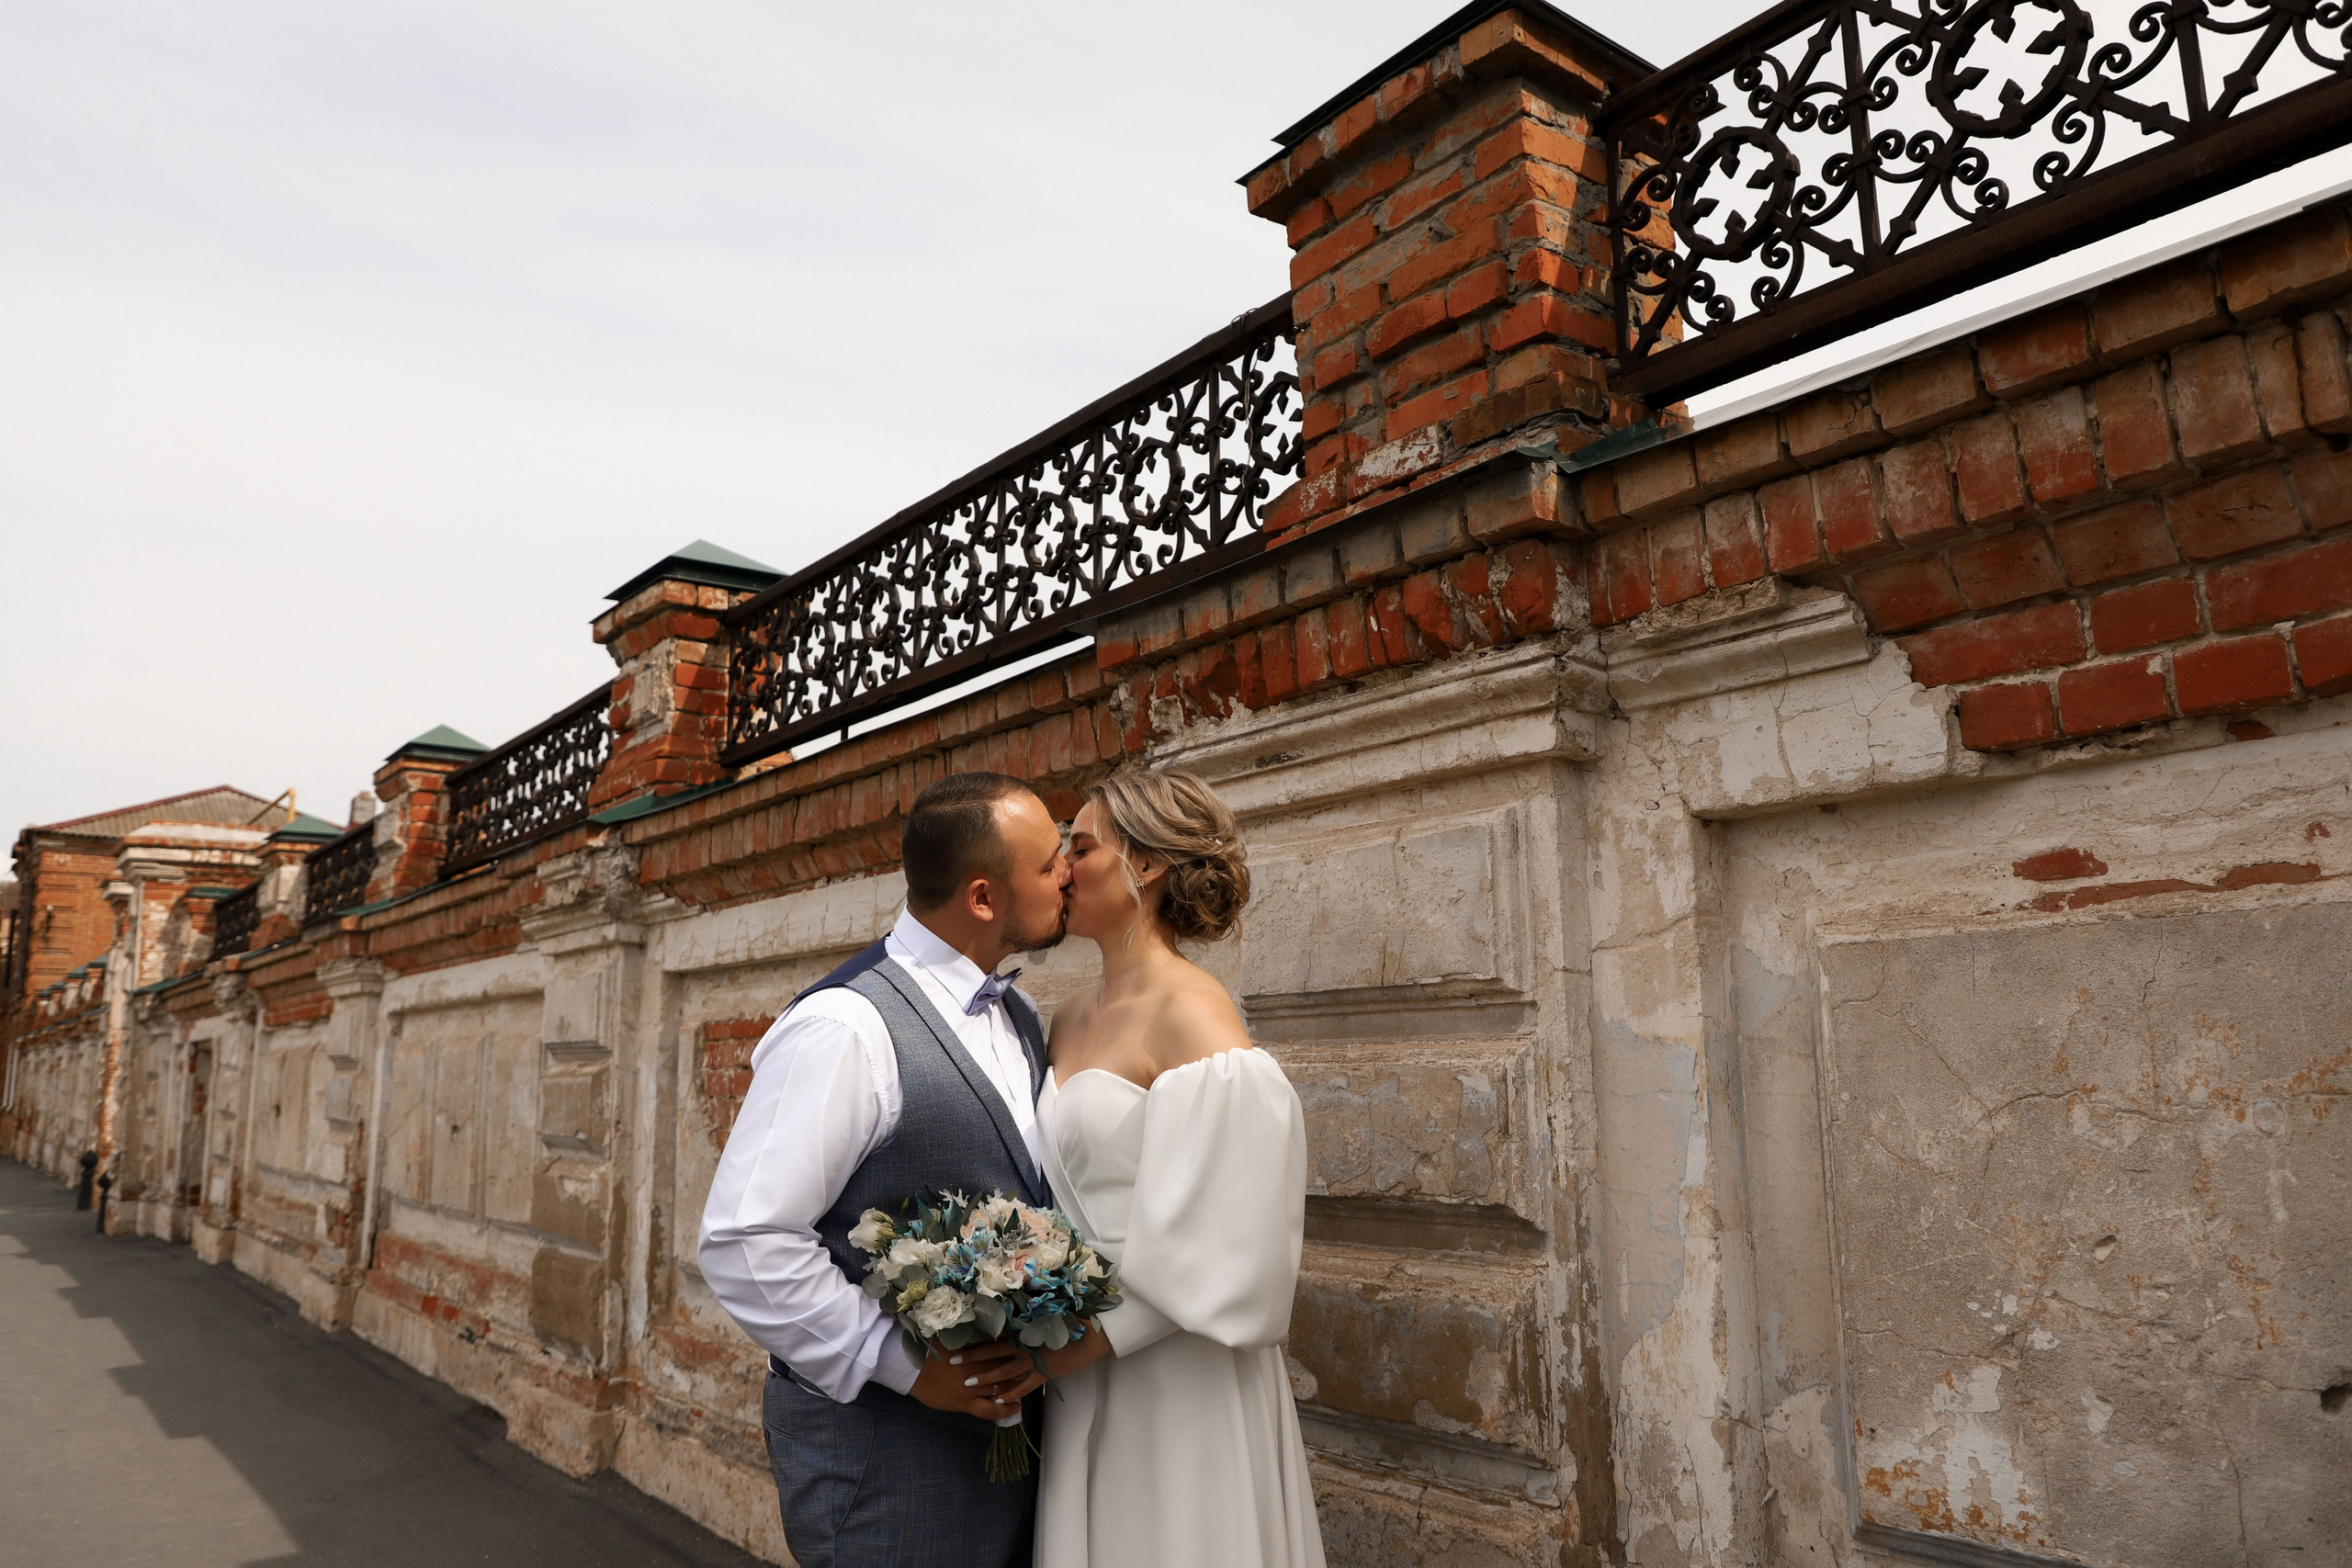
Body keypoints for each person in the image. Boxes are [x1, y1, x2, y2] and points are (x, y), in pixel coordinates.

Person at [698, 772, 1072, 1568]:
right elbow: (744, 1239)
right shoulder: (844, 1028)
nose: (1067, 871)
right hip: (883, 1463)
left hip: (1010, 1462)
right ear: (981, 897)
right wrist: (903, 1365)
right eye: (1047, 864)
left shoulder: (1023, 1015)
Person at [1028, 768, 1326, 1568]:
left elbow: (1228, 1242)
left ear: (1147, 865)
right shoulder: (1063, 1017)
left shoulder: (1196, 1015)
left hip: (1172, 1373)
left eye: (1080, 847)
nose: (1061, 867)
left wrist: (1053, 1353)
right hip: (1076, 1366)